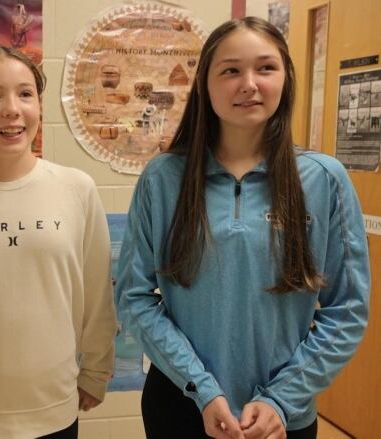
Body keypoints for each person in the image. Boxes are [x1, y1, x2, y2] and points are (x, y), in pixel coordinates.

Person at [116, 17, 370, 439]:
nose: (248, 83)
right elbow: (134, 297)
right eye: (231, 70)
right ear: (205, 84)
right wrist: (201, 388)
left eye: (266, 68)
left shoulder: (324, 179)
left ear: (286, 80)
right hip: (181, 405)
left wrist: (282, 398)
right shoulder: (163, 179)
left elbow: (348, 309)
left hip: (281, 418)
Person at [0, 46, 118, 439]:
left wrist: (97, 370)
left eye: (25, 93)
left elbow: (98, 294)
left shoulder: (76, 189)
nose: (12, 109)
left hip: (52, 407)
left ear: (38, 105)